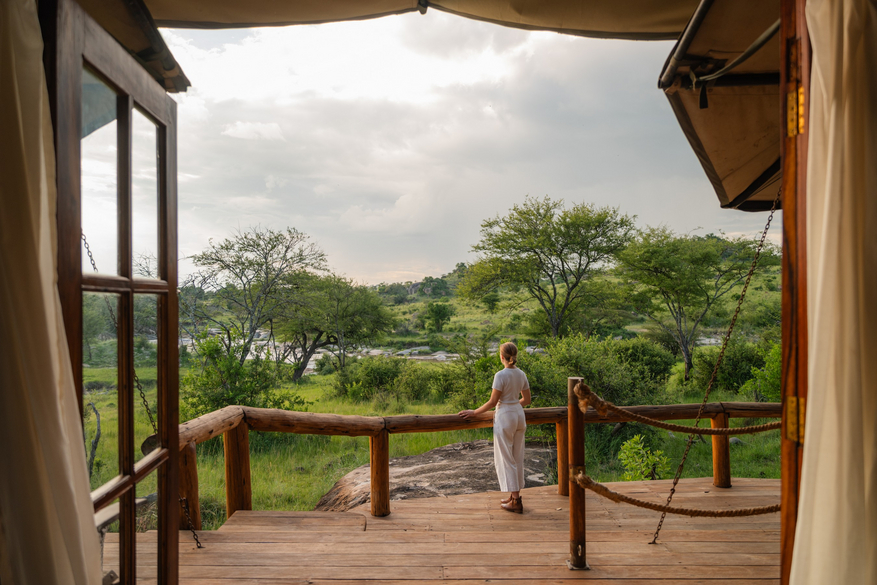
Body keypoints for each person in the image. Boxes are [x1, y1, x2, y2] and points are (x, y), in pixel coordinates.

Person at [458, 342, 531, 513]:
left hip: (505, 416)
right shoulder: (521, 374)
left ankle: (516, 500)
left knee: (507, 459)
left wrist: (474, 412)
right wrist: (513, 405)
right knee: (517, 457)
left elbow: (492, 402)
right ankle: (514, 497)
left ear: (501, 357)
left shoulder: (500, 375)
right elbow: (527, 400)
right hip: (519, 415)